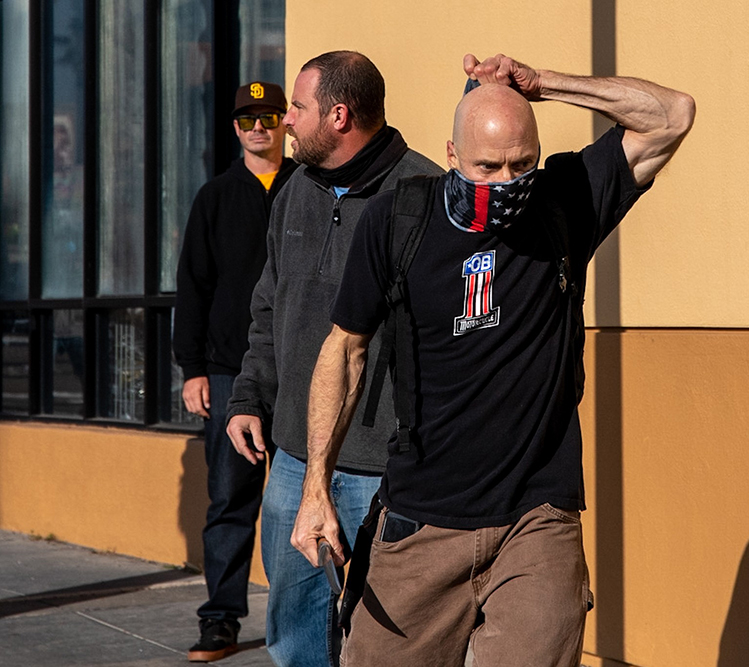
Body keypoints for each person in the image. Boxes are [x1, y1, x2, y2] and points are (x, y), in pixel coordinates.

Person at [296, 53, 696, 666]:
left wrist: (548, 84)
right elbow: (345, 349)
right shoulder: (399, 220)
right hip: (421, 522)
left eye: (521, 163)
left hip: (536, 521)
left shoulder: (563, 202)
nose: (507, 181)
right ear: (451, 154)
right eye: (487, 166)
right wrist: (315, 486)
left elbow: (672, 114)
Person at [225, 51, 442, 667]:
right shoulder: (294, 191)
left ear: (339, 115)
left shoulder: (421, 196)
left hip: (384, 472)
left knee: (388, 643)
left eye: (297, 107)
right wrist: (248, 396)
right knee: (294, 637)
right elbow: (269, 305)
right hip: (295, 460)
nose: (286, 121)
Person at [173, 80, 296, 663]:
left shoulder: (310, 186)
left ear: (284, 124)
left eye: (268, 117)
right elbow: (193, 287)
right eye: (247, 120)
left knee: (301, 498)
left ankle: (308, 616)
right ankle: (220, 619)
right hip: (226, 372)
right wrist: (192, 368)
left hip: (300, 370)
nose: (257, 128)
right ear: (236, 128)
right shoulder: (216, 197)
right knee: (229, 499)